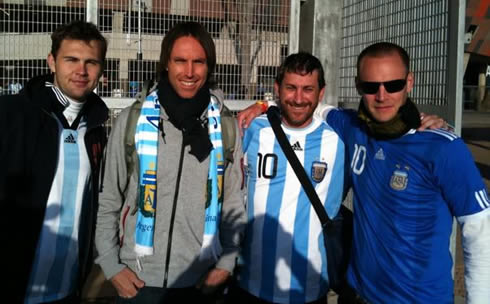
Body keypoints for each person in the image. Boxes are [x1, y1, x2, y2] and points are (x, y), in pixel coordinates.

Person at [239, 43, 490, 303]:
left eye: (393, 85)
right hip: (357, 294)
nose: (382, 96)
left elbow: (480, 232)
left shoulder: (443, 147)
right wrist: (265, 104)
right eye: (371, 87)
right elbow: (312, 106)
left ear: (409, 82)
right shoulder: (353, 128)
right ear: (359, 86)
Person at [95, 21, 246, 303]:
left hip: (201, 280)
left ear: (209, 66)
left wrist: (226, 264)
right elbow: (109, 199)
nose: (189, 72)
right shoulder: (133, 120)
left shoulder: (225, 127)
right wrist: (111, 265)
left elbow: (233, 203)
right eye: (180, 61)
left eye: (198, 62)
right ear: (166, 63)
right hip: (137, 279)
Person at [0, 20, 109, 303]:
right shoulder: (10, 114)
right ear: (52, 62)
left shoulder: (96, 128)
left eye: (91, 62)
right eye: (71, 59)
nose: (81, 71)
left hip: (68, 289)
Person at [228, 52, 346, 304]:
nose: (299, 98)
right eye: (291, 88)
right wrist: (262, 104)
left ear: (321, 93)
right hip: (250, 281)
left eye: (308, 89)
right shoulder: (252, 128)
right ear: (277, 89)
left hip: (310, 286)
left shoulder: (337, 141)